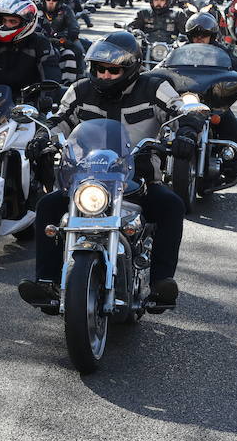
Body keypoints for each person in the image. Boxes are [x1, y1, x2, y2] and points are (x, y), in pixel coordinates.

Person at [17, 31, 202, 311]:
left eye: (113, 70)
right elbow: (59, 120)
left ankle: (161, 282)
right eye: (99, 69)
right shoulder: (80, 90)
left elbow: (182, 112)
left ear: (130, 68)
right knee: (47, 206)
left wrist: (186, 133)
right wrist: (42, 137)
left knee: (172, 206)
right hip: (86, 182)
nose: (104, 75)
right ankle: (47, 281)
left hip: (139, 181)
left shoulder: (154, 87)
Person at [36, 0, 81, 84]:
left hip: (60, 42)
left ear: (59, 1)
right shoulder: (36, 9)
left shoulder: (66, 10)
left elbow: (74, 27)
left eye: (54, 0)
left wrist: (68, 38)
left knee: (77, 52)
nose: (51, 2)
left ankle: (76, 80)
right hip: (39, 43)